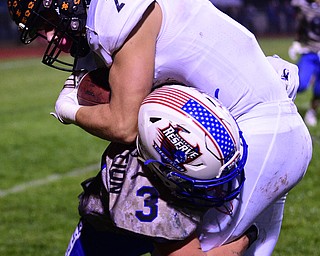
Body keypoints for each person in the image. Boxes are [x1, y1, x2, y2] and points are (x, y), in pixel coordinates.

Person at [7, 0, 312, 255]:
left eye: (46, 22)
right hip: (234, 133)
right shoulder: (101, 20)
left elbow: (125, 124)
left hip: (256, 136)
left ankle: (250, 235)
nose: (46, 37)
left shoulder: (115, 13)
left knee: (183, 249)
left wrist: (70, 110)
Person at [289, 0, 320, 126]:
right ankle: (283, 107)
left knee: (319, 90)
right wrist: (296, 42)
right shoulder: (306, 8)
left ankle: (312, 111)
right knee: (300, 84)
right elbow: (300, 26)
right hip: (310, 52)